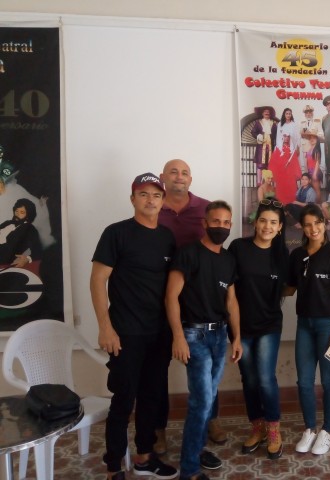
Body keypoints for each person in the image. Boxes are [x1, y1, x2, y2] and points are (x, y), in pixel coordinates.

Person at [90, 172, 178, 480]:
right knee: (123, 400)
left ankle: (144, 457)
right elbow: (98, 280)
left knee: (152, 397)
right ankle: (114, 466)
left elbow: (171, 288)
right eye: (143, 194)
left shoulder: (167, 237)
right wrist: (105, 327)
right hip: (125, 333)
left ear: (163, 201)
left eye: (156, 195)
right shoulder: (116, 233)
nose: (150, 200)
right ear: (133, 199)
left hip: (158, 333)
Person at [165, 200, 242, 480]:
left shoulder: (228, 259)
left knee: (208, 396)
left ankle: (196, 449)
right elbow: (171, 296)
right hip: (193, 335)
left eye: (226, 222)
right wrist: (178, 337)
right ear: (205, 223)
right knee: (202, 400)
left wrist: (237, 338)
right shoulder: (188, 254)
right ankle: (189, 469)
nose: (221, 227)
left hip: (220, 335)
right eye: (216, 221)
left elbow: (231, 301)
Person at [156, 159, 227, 452]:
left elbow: (215, 251)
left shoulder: (205, 208)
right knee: (157, 369)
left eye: (184, 172)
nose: (179, 177)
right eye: (173, 172)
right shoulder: (153, 206)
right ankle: (157, 429)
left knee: (209, 372)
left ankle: (211, 420)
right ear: (162, 177)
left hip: (200, 304)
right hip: (159, 298)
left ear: (191, 179)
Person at [229, 198, 289, 460]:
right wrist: (234, 331)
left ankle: (273, 428)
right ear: (255, 222)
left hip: (269, 325)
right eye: (263, 220)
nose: (267, 226)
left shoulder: (282, 255)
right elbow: (229, 290)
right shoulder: (238, 248)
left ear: (280, 227)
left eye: (273, 222)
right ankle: (257, 427)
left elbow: (289, 287)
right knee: (250, 379)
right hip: (241, 326)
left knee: (265, 378)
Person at [286, 203, 330, 456]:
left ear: (324, 223)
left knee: (329, 380)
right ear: (302, 227)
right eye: (308, 224)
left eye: (317, 223)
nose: (313, 229)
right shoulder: (296, 255)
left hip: (329, 326)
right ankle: (310, 429)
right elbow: (290, 288)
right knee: (304, 381)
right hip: (304, 325)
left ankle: (327, 431)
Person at [0, 198, 42, 268]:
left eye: (22, 212)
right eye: (16, 211)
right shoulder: (7, 222)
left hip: (3, 263)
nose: (17, 214)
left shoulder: (30, 229)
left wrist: (27, 259)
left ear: (28, 214)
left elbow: (38, 251)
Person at [269, 133, 301, 205]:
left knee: (291, 192)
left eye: (288, 136)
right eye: (285, 136)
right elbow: (273, 162)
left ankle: (290, 207)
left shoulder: (292, 149)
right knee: (281, 193)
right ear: (282, 137)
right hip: (281, 174)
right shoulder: (278, 148)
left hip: (290, 175)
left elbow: (295, 162)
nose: (286, 138)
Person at [251, 106, 278, 183]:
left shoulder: (273, 124)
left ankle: (268, 183)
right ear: (262, 113)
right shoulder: (258, 123)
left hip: (271, 147)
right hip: (261, 147)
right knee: (260, 165)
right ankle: (259, 183)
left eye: (268, 112)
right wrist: (258, 136)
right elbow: (253, 132)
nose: (267, 113)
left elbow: (276, 136)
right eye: (265, 112)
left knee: (270, 165)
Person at [302, 128, 324, 201]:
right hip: (310, 172)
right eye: (310, 138)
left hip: (315, 172)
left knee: (317, 190)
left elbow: (317, 162)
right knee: (313, 190)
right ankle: (314, 204)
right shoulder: (310, 149)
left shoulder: (316, 150)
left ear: (317, 140)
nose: (312, 139)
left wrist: (314, 174)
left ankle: (318, 205)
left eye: (314, 138)